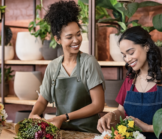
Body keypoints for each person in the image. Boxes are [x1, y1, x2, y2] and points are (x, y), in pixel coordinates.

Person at [29, 1, 105, 133]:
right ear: (58, 39)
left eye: (78, 34)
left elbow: (98, 105)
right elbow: (42, 100)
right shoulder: (53, 67)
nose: (76, 40)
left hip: (87, 132)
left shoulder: (89, 63)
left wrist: (64, 117)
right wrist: (33, 115)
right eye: (69, 37)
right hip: (62, 131)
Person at [97, 26, 162, 139]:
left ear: (146, 46)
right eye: (124, 55)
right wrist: (111, 115)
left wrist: (147, 128)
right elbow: (121, 112)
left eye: (131, 52)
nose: (127, 59)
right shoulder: (130, 80)